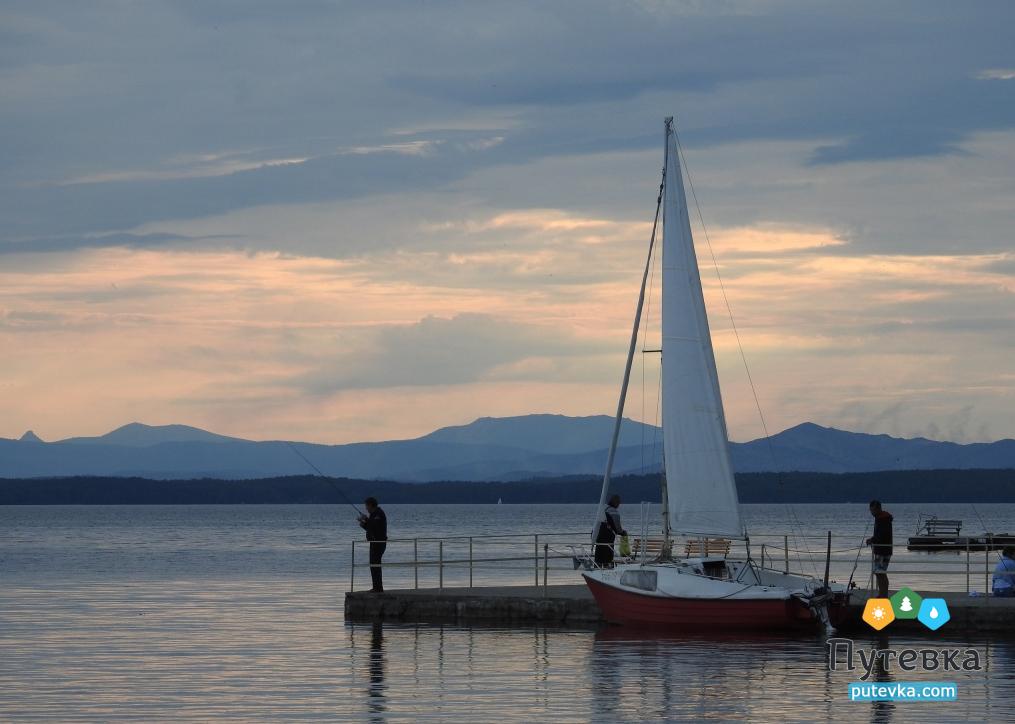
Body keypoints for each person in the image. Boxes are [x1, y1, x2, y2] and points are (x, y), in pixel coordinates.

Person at [358, 497, 387, 592]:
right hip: (374, 543)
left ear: (370, 505)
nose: (366, 508)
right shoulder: (373, 515)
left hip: (379, 543)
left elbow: (375, 525)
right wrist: (363, 524)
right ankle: (376, 587)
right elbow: (371, 528)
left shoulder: (378, 514)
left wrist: (366, 519)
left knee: (375, 564)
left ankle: (378, 588)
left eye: (366, 506)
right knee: (373, 565)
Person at [865, 500, 893, 598]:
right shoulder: (882, 518)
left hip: (883, 550)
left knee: (880, 573)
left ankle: (883, 595)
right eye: (870, 510)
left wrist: (872, 540)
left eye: (872, 510)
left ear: (877, 509)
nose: (871, 513)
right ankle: (882, 594)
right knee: (880, 573)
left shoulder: (883, 519)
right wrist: (873, 539)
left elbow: (882, 535)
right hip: (883, 549)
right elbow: (880, 535)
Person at [594, 494, 627, 568]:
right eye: (619, 503)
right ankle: (607, 570)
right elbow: (618, 528)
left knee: (599, 556)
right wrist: (623, 533)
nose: (619, 505)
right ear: (616, 503)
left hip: (599, 537)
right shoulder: (614, 512)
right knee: (608, 556)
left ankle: (597, 568)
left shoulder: (604, 509)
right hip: (608, 538)